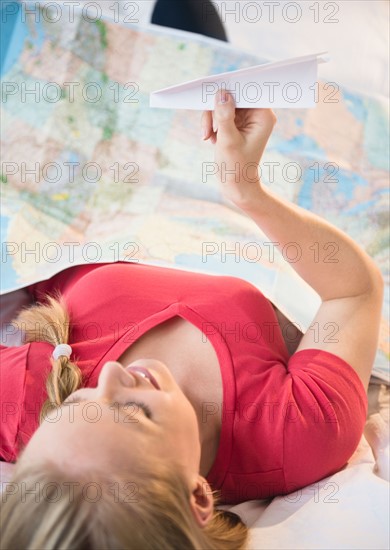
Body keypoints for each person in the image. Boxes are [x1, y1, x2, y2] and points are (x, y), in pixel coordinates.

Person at [0, 91, 384, 549]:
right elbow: (352, 291)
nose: (110, 377)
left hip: (97, 197)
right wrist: (247, 191)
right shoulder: (296, 434)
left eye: (74, 404)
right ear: (197, 497)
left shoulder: (27, 404)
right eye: (134, 412)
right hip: (222, 206)